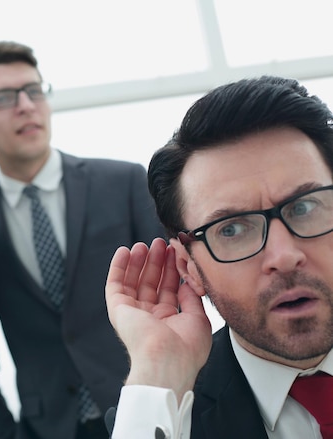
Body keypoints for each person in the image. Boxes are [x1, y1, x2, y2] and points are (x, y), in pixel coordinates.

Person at [0, 40, 164, 439]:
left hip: (149, 410)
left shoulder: (124, 182)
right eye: (4, 98)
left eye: (34, 90)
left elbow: (176, 298)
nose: (26, 105)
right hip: (49, 429)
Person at [105, 75, 333, 438]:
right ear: (187, 266)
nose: (285, 256)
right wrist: (159, 371)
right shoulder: (165, 419)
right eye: (231, 229)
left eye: (304, 207)